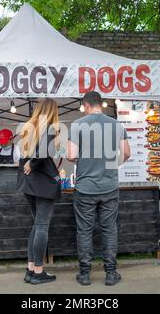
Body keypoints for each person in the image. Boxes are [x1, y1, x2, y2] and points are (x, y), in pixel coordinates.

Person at [67, 91, 131, 286]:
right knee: (109, 229)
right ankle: (111, 273)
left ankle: (85, 274)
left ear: (86, 105)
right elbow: (127, 152)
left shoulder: (78, 125)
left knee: (84, 230)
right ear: (100, 104)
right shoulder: (116, 124)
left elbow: (71, 155)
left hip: (85, 187)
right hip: (110, 186)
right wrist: (111, 165)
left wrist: (86, 159)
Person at [17, 98, 61, 285]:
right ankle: (38, 271)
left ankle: (30, 269)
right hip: (43, 183)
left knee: (37, 225)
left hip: (29, 184)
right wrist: (34, 163)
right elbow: (42, 153)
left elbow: (28, 155)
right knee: (42, 226)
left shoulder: (29, 126)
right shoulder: (50, 127)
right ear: (52, 111)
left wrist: (31, 163)